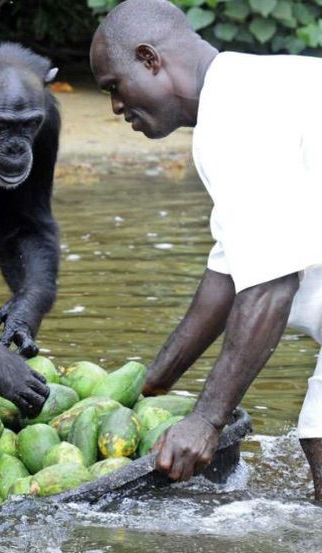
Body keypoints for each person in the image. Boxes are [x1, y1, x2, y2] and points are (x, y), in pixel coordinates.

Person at [90, 0, 322, 499]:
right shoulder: (246, 93)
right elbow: (227, 277)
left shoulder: (236, 116)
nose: (114, 107)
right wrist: (149, 384)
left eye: (114, 86)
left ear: (151, 59)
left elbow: (270, 287)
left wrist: (206, 420)